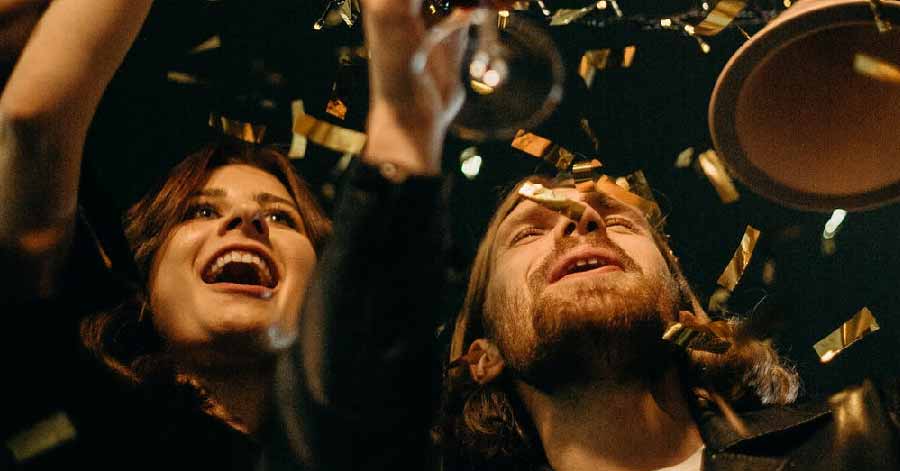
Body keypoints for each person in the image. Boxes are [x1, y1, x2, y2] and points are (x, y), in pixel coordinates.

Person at [321, 1, 898, 470]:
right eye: (527, 233)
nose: (582, 221)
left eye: (618, 221)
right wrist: (402, 129)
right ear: (482, 355)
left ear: (687, 309)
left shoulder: (869, 436)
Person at [0, 2, 334, 469]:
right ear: (146, 276)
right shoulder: (82, 397)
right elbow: (34, 122)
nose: (247, 222)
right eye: (200, 211)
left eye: (281, 218)